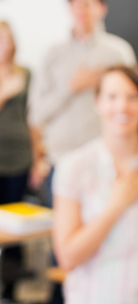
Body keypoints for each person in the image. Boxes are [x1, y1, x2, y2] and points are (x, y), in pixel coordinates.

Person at [28, 0, 136, 205]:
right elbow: (36, 114)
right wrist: (71, 87)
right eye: (75, 3)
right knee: (63, 235)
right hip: (60, 162)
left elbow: (132, 104)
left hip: (108, 163)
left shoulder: (118, 53)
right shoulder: (53, 54)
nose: (81, 10)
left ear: (102, 9)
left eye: (88, 3)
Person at [53, 66, 138, 304]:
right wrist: (117, 205)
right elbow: (68, 257)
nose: (122, 106)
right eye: (112, 97)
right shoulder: (75, 167)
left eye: (132, 97)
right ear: (97, 102)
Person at [0, 21, 39, 206]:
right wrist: (3, 92)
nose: (2, 44)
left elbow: (33, 119)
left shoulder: (26, 74)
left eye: (7, 39)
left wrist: (37, 161)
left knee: (16, 215)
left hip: (20, 159)